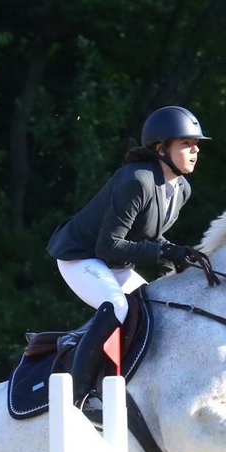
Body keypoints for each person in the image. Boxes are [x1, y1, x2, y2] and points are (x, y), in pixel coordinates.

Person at [47, 105, 211, 408]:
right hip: (80, 257)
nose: (195, 150)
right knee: (117, 305)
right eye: (186, 143)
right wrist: (163, 252)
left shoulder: (181, 189)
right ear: (161, 148)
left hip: (114, 262)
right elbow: (107, 246)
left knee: (156, 306)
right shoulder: (136, 180)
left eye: (196, 144)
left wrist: (179, 256)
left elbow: (150, 236)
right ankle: (78, 397)